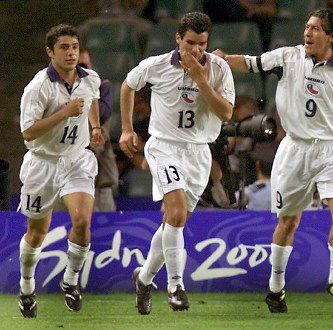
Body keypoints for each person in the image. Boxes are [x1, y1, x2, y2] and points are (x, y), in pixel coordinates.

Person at [215, 8, 333, 312]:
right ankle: (276, 289)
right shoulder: (288, 57)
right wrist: (223, 60)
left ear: (331, 36)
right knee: (288, 221)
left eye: (316, 28)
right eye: (307, 26)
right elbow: (251, 64)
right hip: (294, 149)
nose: (308, 32)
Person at [119, 12, 234, 314]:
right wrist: (128, 129)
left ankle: (144, 279)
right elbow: (128, 85)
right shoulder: (156, 65)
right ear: (178, 39)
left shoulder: (219, 69)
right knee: (178, 212)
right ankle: (175, 285)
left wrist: (200, 78)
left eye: (203, 44)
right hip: (164, 147)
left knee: (173, 220)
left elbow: (225, 114)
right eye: (191, 43)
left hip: (199, 152)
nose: (197, 50)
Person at [17, 24, 104, 318]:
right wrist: (64, 112)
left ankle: (70, 281)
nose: (70, 53)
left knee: (81, 221)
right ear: (50, 52)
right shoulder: (38, 87)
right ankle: (27, 286)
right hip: (43, 163)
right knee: (37, 232)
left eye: (74, 47)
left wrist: (95, 126)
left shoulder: (90, 78)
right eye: (64, 48)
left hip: (76, 158)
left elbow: (89, 101)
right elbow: (28, 132)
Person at [78, 47, 118, 211]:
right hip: (67, 173)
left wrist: (84, 95)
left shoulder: (102, 86)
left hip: (99, 174)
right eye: (78, 66)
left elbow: (103, 112)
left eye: (85, 65)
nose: (82, 70)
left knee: (104, 219)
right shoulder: (56, 89)